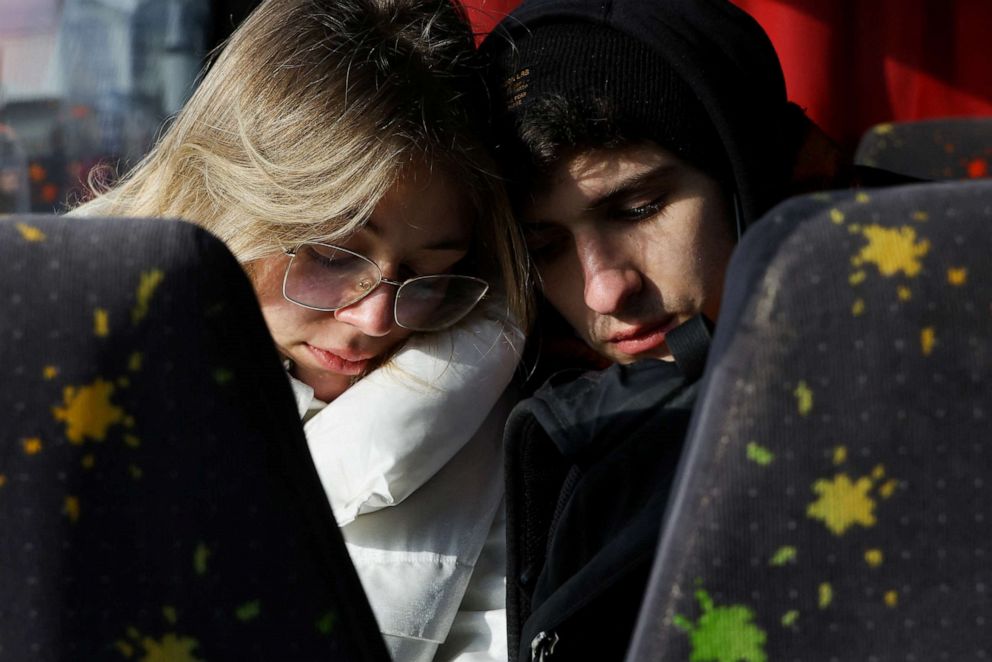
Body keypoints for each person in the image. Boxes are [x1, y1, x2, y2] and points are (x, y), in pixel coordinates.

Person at [72, 1, 532, 660]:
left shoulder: (489, 418)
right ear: (226, 198)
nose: (374, 320)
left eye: (430, 275)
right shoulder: (57, 354)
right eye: (332, 255)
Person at [479, 0, 866, 659]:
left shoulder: (919, 340)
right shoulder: (503, 394)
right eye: (543, 247)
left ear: (744, 171)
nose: (605, 286)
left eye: (639, 208)